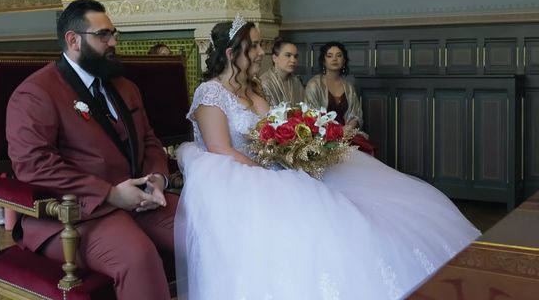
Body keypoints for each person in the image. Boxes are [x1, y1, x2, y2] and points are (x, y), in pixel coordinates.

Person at [175, 15, 480, 300]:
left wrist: (298, 148)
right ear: (231, 53)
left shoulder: (254, 88)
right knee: (317, 219)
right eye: (253, 46)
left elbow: (272, 129)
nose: (260, 52)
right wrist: (270, 172)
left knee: (361, 195)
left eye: (260, 45)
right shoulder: (210, 93)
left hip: (275, 163)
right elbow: (221, 150)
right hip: (237, 174)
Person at [7, 0, 177, 300]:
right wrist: (110, 194)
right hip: (75, 215)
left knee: (205, 229)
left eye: (114, 33)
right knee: (137, 258)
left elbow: (149, 139)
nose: (113, 42)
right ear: (73, 40)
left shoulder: (124, 85)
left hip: (142, 200)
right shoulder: (36, 93)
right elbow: (34, 166)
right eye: (103, 35)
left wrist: (157, 180)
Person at [304, 41, 376, 156]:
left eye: (339, 55)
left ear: (344, 61)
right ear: (323, 60)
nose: (334, 59)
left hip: (347, 134)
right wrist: (335, 131)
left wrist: (348, 128)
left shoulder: (348, 87)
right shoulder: (314, 85)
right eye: (329, 55)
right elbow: (312, 116)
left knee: (366, 148)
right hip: (323, 136)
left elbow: (356, 114)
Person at [258, 37, 304, 105]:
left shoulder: (296, 81)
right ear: (275, 58)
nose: (293, 60)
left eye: (295, 56)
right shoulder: (264, 83)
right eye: (288, 55)